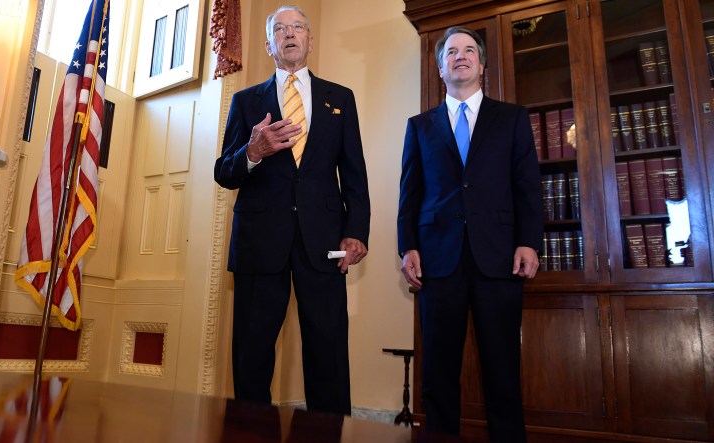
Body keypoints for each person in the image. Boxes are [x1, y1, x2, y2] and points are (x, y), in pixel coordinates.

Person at [213, 5, 370, 416]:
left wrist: (357, 231)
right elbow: (225, 173)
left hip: (323, 244)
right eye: (280, 29)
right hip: (259, 245)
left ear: (310, 40)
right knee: (251, 355)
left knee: (329, 352)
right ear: (269, 45)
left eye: (298, 27)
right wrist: (253, 151)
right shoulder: (247, 102)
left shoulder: (341, 99)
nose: (290, 34)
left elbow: (354, 174)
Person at [397, 27, 543, 441]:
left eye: (469, 51)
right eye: (451, 52)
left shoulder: (511, 118)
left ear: (481, 64)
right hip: (437, 261)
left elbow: (527, 186)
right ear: (440, 68)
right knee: (438, 373)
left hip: (498, 258)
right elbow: (410, 193)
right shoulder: (419, 126)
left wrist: (529, 240)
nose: (460, 57)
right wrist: (407, 246)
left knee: (502, 369)